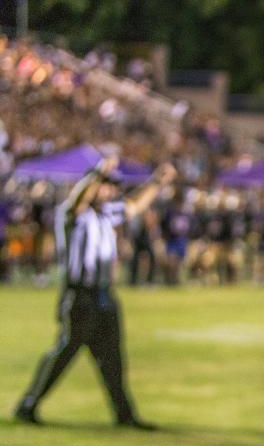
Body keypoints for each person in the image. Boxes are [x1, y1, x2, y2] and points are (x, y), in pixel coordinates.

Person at [13, 156, 177, 428]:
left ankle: (124, 415)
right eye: (105, 185)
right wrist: (98, 174)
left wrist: (157, 182)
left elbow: (134, 206)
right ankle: (28, 404)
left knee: (113, 358)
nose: (110, 190)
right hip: (80, 296)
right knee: (64, 353)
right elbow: (78, 200)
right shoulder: (73, 214)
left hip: (104, 295)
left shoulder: (106, 214)